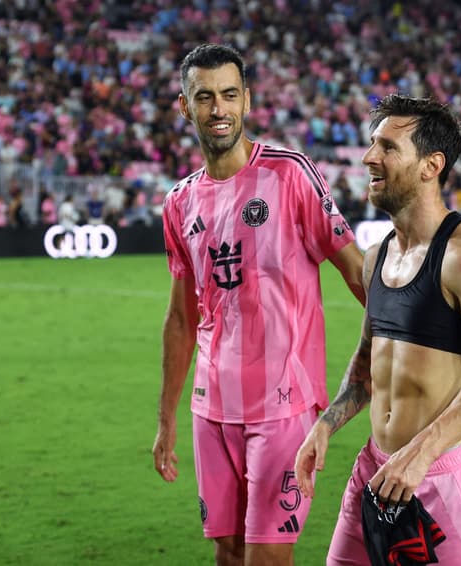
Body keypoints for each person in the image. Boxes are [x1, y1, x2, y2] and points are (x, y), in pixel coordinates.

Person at [151, 44, 365, 566]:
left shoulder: (290, 173)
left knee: (266, 556)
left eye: (229, 95)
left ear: (246, 100)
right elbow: (181, 318)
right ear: (185, 107)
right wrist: (166, 418)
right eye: (204, 97)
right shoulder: (179, 201)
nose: (218, 109)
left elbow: (356, 269)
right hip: (211, 405)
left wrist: (407, 343)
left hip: (283, 404)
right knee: (228, 553)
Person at [295, 94, 461, 565]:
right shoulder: (377, 256)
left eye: (388, 147)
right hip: (377, 470)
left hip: (443, 476)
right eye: (372, 144)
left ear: (431, 166)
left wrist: (421, 454)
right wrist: (327, 423)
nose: (368, 157)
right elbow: (367, 359)